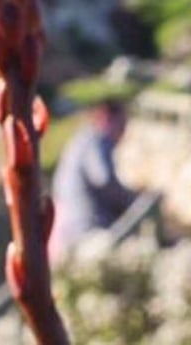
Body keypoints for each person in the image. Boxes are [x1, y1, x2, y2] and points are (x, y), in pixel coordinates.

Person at [47, 98, 136, 261]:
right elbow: (104, 180)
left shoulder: (82, 139)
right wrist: (131, 201)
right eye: (122, 125)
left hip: (67, 227)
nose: (124, 132)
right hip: (83, 227)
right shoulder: (96, 140)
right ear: (107, 119)